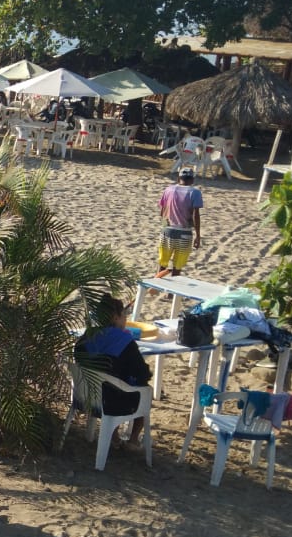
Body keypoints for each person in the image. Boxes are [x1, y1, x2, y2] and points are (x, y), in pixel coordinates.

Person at [74, 294, 151, 448]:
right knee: (144, 389)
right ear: (116, 317)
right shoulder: (124, 341)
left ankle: (114, 436)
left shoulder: (87, 337)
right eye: (124, 315)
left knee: (113, 378)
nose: (125, 319)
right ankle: (133, 440)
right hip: (112, 402)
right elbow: (142, 373)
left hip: (83, 397)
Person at [156, 167, 203, 277]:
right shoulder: (195, 192)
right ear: (192, 180)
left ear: (179, 178)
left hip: (167, 231)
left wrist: (165, 226)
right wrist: (198, 235)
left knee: (162, 262)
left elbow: (162, 212)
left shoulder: (168, 190)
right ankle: (171, 294)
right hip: (184, 233)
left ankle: (155, 287)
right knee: (177, 266)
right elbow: (195, 215)